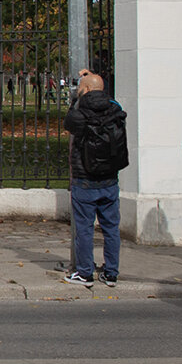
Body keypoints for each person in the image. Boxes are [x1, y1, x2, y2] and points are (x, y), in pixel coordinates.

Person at [62, 68, 129, 286]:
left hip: (85, 179)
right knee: (111, 228)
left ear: (87, 90)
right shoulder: (115, 109)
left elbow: (69, 123)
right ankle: (111, 273)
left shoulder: (79, 111)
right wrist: (93, 79)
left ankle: (84, 272)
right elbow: (109, 99)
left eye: (81, 87)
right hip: (110, 179)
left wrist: (76, 97)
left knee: (84, 229)